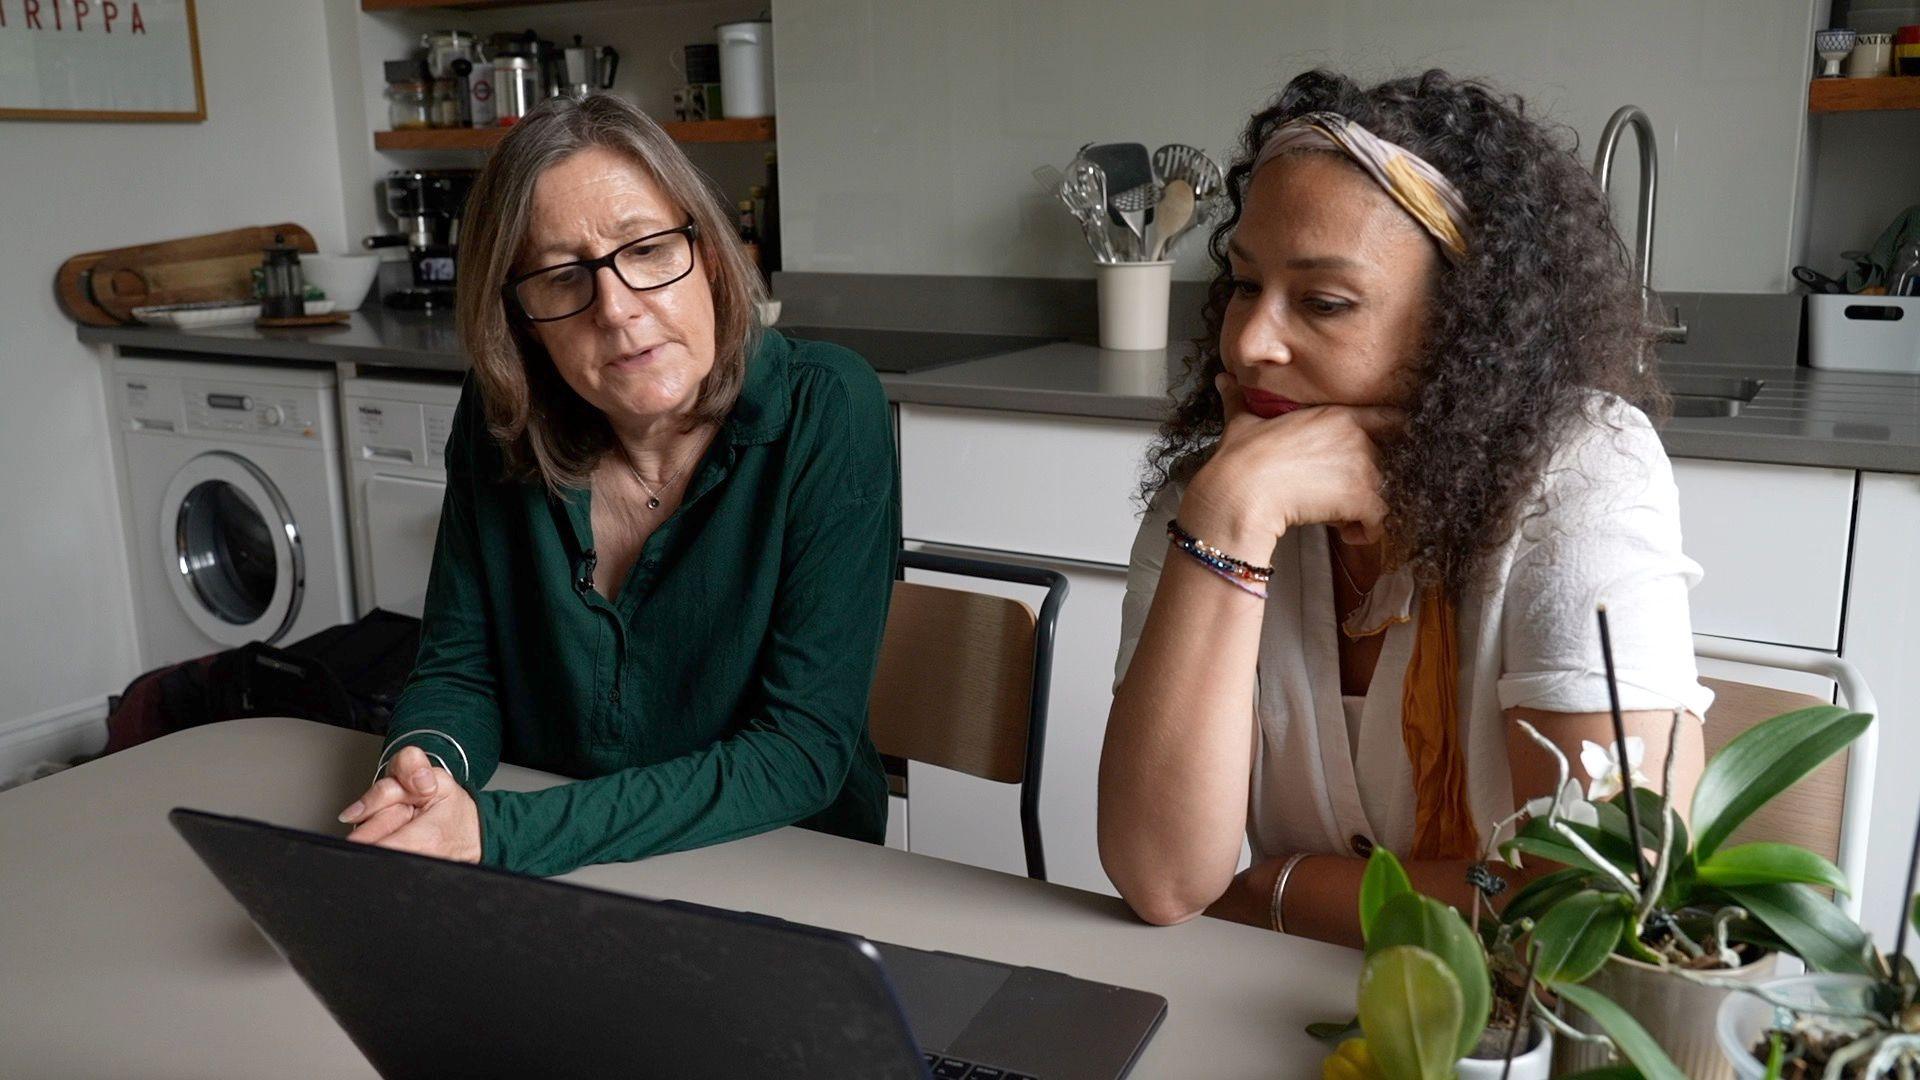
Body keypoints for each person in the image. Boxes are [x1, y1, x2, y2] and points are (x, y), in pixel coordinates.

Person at [1098, 70, 1712, 947]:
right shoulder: (1220, 492)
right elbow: (1161, 879)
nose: (1248, 342)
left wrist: (1280, 886)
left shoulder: (1583, 471)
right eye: (1242, 284)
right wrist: (1232, 516)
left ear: (1467, 325)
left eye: (1323, 302)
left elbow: (1596, 895)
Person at [334, 93, 899, 877]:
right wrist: (424, 771)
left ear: (708, 248)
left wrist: (496, 834)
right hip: (562, 866)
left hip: (783, 866)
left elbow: (800, 754)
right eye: (562, 278)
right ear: (517, 316)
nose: (619, 310)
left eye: (648, 250)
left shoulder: (826, 408)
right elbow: (461, 671)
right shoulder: (501, 417)